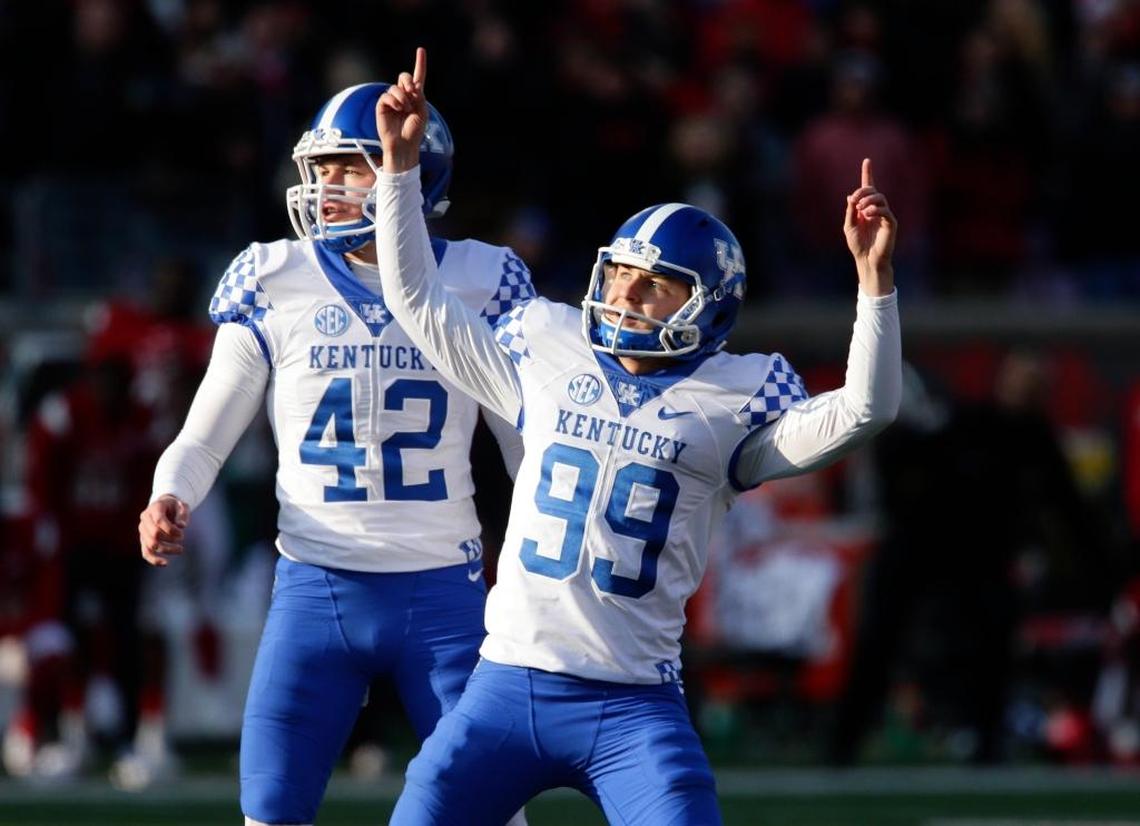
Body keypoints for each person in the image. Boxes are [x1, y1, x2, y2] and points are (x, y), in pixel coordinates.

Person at [374, 49, 901, 824]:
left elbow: (865, 409)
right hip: (504, 687)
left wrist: (874, 283)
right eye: (621, 273)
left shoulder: (731, 396)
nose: (627, 292)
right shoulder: (545, 346)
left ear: (708, 304)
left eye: (654, 283)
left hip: (633, 707)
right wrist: (398, 170)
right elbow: (417, 299)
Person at [136, 80, 535, 826]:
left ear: (412, 167)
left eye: (350, 169)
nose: (326, 188)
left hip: (445, 592)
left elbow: (528, 453)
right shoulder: (273, 278)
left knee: (493, 812)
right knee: (269, 812)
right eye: (321, 170)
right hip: (315, 586)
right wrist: (171, 494)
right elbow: (203, 433)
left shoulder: (484, 280)